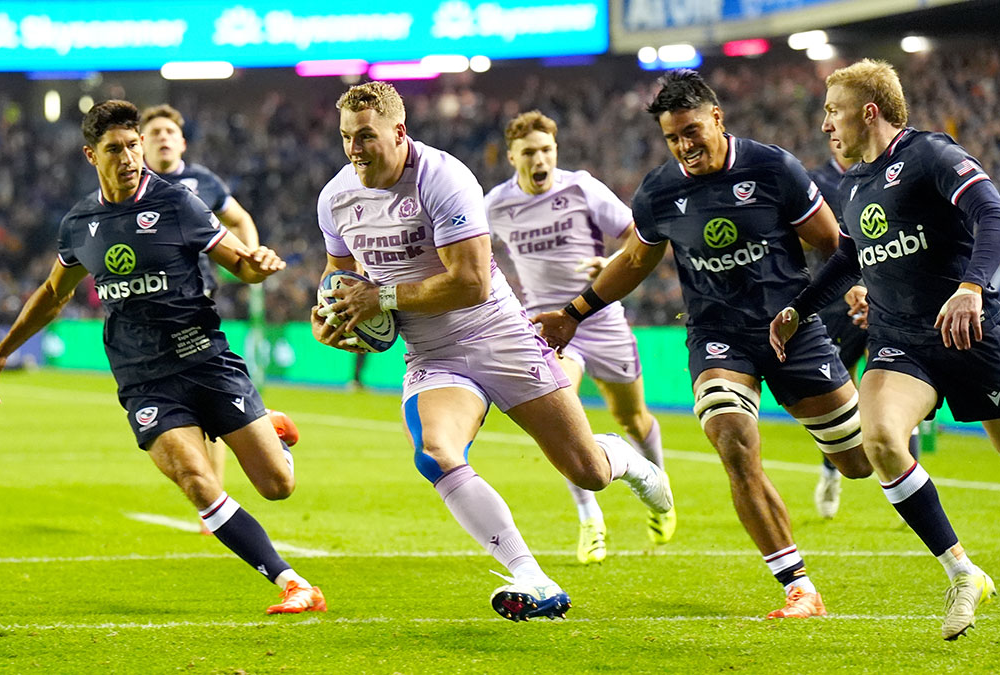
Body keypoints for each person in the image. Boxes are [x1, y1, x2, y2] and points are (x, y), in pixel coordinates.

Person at [771, 59, 1000, 639]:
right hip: (899, 342)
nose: (826, 124)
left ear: (869, 112)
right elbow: (850, 257)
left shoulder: (931, 155)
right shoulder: (853, 184)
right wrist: (800, 308)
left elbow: (997, 216)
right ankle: (963, 573)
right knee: (881, 440)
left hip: (971, 335)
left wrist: (971, 288)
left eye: (834, 111)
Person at [312, 82, 672, 621]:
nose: (354, 149)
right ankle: (532, 577)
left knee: (588, 472)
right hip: (432, 354)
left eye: (365, 136)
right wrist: (328, 317)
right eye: (346, 137)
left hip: (500, 335)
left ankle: (627, 460)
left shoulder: (443, 177)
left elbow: (471, 283)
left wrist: (381, 296)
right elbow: (338, 278)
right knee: (435, 453)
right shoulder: (336, 198)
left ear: (399, 132)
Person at [534, 69, 872, 619]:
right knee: (732, 440)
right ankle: (799, 588)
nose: (684, 146)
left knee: (858, 462)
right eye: (672, 138)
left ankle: (889, 411)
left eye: (691, 131)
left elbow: (834, 243)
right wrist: (573, 314)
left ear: (717, 118)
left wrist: (856, 286)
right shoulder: (660, 191)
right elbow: (635, 261)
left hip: (794, 330)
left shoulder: (773, 168)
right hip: (718, 338)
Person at [0, 100, 325, 615]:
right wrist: (3, 350)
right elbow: (53, 293)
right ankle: (293, 583)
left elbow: (240, 265)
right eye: (114, 149)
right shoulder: (79, 223)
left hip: (205, 359)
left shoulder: (179, 203)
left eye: (133, 146)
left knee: (278, 486)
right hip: (143, 378)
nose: (128, 158)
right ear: (91, 155)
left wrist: (259, 264)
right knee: (197, 481)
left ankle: (268, 429)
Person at [484, 110, 675, 564]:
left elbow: (637, 237)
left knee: (632, 419)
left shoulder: (582, 188)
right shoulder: (495, 205)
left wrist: (609, 263)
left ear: (556, 151)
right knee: (563, 420)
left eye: (546, 150)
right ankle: (590, 519)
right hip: (548, 327)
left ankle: (659, 484)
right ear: (512, 157)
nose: (539, 159)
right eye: (529, 152)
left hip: (601, 317)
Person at [139, 105, 298, 534]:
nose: (163, 138)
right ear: (141, 143)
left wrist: (250, 259)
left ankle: (214, 500)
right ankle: (259, 426)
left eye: (170, 131)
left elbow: (239, 217)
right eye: (155, 132)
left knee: (199, 402)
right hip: (148, 315)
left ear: (182, 141)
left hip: (195, 304)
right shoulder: (132, 186)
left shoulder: (203, 182)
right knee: (187, 410)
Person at [807, 145, 922, 519]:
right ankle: (831, 473)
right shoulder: (815, 181)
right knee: (839, 392)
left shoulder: (888, 174)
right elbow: (809, 239)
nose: (837, 135)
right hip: (836, 303)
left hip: (887, 296)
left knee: (899, 382)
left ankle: (910, 486)